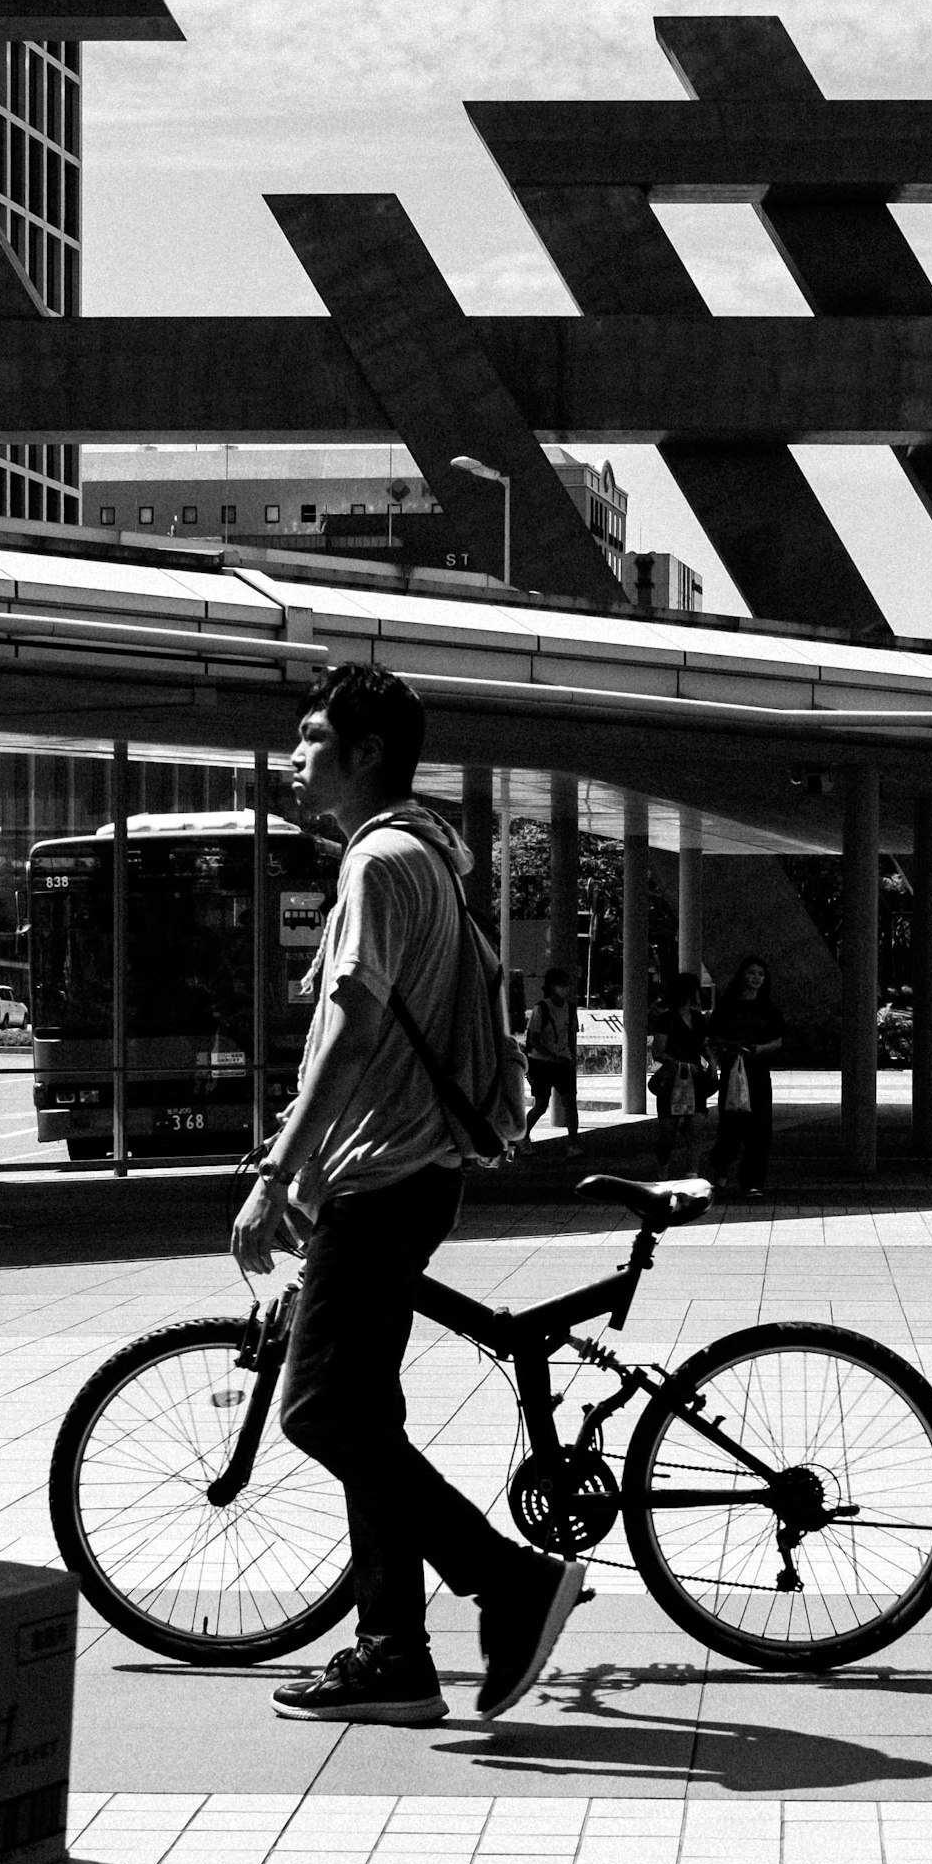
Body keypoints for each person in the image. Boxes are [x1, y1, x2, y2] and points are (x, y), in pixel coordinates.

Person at [233, 664, 589, 1727]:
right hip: (396, 1170)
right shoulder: (418, 856)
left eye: (311, 737)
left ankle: (509, 1581)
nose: (295, 756)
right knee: (364, 1409)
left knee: (320, 1408)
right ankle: (393, 1650)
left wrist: (279, 1171)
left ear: (366, 753)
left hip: (385, 1178)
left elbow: (353, 1022)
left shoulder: (381, 860)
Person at [704, 952, 789, 1200]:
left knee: (760, 1129)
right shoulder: (728, 1005)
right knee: (731, 1125)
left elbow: (780, 1039)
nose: (756, 978)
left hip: (758, 1072)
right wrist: (718, 1057)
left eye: (761, 974)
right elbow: (710, 1038)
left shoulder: (768, 1008)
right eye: (752, 973)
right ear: (743, 975)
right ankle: (720, 1162)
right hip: (732, 1071)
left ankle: (753, 1182)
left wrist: (760, 1049)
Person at [648, 969, 711, 1177]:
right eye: (696, 989)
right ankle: (662, 1171)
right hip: (672, 1080)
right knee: (668, 1133)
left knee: (697, 1129)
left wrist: (712, 1063)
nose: (699, 994)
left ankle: (691, 1175)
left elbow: (704, 1045)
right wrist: (681, 1064)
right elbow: (658, 1051)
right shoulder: (667, 1019)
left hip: (695, 1080)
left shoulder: (698, 1019)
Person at [520, 961, 582, 1150]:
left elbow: (572, 1035)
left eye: (566, 983)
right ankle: (523, 1136)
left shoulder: (571, 1009)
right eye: (561, 984)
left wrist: (571, 1057)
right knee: (541, 1105)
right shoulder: (541, 1009)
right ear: (551, 987)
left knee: (570, 1103)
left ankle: (573, 1144)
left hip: (563, 1062)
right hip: (541, 1063)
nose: (566, 988)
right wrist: (555, 1056)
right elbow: (534, 1040)